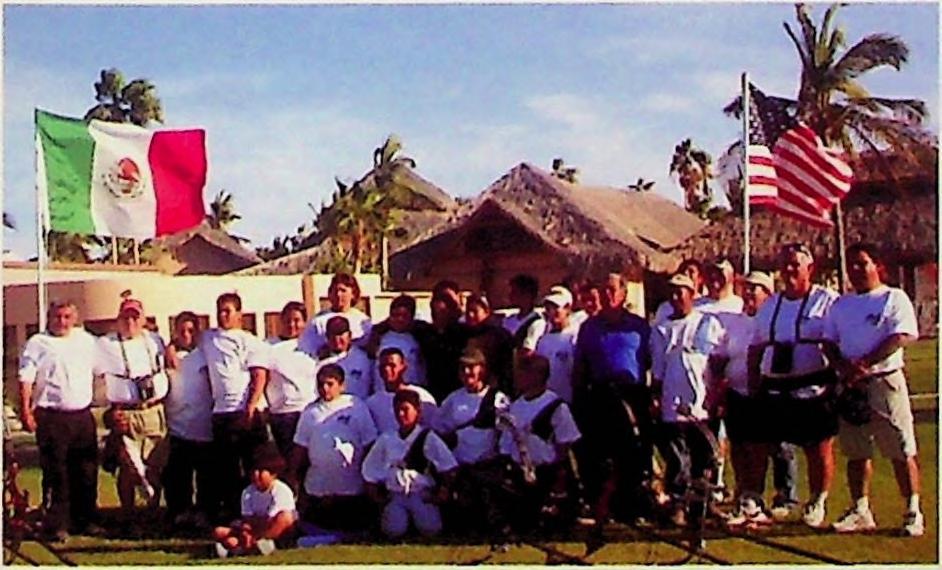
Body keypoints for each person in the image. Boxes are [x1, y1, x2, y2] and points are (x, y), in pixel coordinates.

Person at [824, 243, 924, 537]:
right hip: (851, 385)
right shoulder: (841, 305)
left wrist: (866, 363)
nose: (856, 270)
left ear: (877, 266)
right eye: (852, 265)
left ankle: (913, 510)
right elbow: (828, 341)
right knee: (856, 452)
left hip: (884, 381)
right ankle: (860, 509)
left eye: (862, 263)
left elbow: (901, 335)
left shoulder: (893, 298)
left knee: (900, 448)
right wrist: (844, 368)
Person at [749, 243, 839, 528]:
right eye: (784, 264)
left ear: (809, 269)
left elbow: (838, 342)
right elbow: (756, 347)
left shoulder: (827, 301)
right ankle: (755, 500)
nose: (788, 270)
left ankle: (817, 500)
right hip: (775, 386)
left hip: (813, 387)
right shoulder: (770, 305)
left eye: (795, 265)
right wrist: (754, 384)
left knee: (818, 448)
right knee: (763, 445)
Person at [709, 272, 789, 527]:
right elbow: (722, 355)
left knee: (758, 448)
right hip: (736, 394)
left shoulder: (770, 321)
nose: (749, 293)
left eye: (755, 288)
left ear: (767, 293)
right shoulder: (735, 322)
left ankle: (754, 498)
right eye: (747, 288)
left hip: (762, 393)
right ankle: (743, 495)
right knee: (739, 447)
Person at [18, 300, 101, 541]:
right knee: (58, 473)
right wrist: (26, 410)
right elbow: (26, 378)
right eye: (57, 317)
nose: (62, 322)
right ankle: (58, 524)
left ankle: (85, 520)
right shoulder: (38, 342)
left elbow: (101, 371)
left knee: (86, 471)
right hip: (52, 417)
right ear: (49, 318)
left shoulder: (86, 341)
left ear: (74, 318)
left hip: (82, 416)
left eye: (67, 317)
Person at [572, 272, 652, 525]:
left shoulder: (639, 327)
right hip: (599, 394)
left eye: (612, 290)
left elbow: (651, 362)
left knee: (632, 453)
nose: (608, 295)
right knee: (598, 453)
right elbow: (580, 365)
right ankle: (599, 506)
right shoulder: (589, 327)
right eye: (604, 290)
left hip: (632, 394)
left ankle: (630, 504)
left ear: (623, 293)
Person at [650, 274, 724, 527]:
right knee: (678, 458)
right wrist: (656, 397)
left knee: (705, 457)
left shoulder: (707, 323)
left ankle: (702, 504)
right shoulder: (661, 329)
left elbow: (717, 361)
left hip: (701, 404)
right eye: (672, 293)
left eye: (680, 292)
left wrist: (716, 395)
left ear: (692, 294)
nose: (675, 298)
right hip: (672, 402)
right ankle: (678, 503)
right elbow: (658, 369)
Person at [95, 294, 171, 526]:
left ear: (144, 319)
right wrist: (109, 413)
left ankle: (151, 515)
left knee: (155, 465)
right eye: (125, 317)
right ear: (118, 319)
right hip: (125, 414)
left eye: (135, 317)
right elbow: (93, 378)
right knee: (129, 468)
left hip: (154, 411)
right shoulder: (105, 345)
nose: (130, 322)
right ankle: (128, 516)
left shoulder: (155, 340)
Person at [201, 292, 271, 522]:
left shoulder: (249, 341)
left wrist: (250, 407)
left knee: (254, 466)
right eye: (220, 311)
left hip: (247, 412)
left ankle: (259, 512)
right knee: (226, 469)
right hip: (222, 412)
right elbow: (183, 339)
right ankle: (234, 514)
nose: (223, 315)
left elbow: (259, 376)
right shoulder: (208, 338)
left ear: (239, 314)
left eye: (228, 311)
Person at [497, 353, 582, 533]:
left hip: (545, 472)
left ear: (537, 375)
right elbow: (506, 441)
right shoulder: (515, 406)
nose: (517, 378)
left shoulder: (556, 406)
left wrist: (559, 475)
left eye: (522, 373)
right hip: (519, 472)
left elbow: (565, 442)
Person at [288, 363, 377, 532]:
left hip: (351, 489)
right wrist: (292, 474)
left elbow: (369, 443)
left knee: (352, 529)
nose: (325, 388)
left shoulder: (356, 406)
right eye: (321, 384)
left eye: (330, 384)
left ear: (342, 385)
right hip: (319, 489)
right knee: (316, 530)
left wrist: (370, 479)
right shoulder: (310, 412)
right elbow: (300, 446)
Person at [362, 389, 459, 539]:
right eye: (397, 410)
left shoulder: (428, 438)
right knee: (393, 531)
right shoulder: (386, 439)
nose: (401, 414)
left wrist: (443, 491)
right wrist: (378, 498)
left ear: (417, 412)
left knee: (430, 529)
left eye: (405, 410)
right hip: (396, 494)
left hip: (421, 493)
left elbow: (448, 465)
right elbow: (370, 469)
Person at [434, 348, 510, 534]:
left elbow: (507, 436)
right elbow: (440, 431)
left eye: (471, 367)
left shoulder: (497, 399)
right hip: (461, 469)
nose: (467, 372)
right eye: (463, 368)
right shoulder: (453, 400)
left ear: (482, 369)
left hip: (489, 467)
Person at [162, 311, 215, 529]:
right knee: (177, 476)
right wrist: (169, 348)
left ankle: (204, 512)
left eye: (191, 330)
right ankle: (179, 513)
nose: (186, 334)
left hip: (203, 426)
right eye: (182, 330)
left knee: (205, 477)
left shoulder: (206, 353)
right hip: (177, 426)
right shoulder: (166, 355)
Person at [213, 448, 297, 558]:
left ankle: (262, 543)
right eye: (253, 471)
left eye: (261, 471)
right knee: (220, 531)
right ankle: (243, 546)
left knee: (284, 518)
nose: (256, 475)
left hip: (271, 530)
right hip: (253, 530)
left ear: (273, 474)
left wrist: (255, 528)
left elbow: (271, 519)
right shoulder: (248, 492)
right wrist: (246, 531)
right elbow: (247, 518)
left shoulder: (281, 490)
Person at [266, 302, 318, 459]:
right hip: (282, 415)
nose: (291, 325)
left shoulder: (312, 345)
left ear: (304, 322)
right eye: (287, 320)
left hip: (308, 412)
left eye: (296, 320)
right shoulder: (268, 346)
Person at [366, 347, 438, 433]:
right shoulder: (371, 403)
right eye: (383, 366)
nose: (387, 369)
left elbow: (433, 427)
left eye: (392, 365)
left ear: (403, 366)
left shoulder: (422, 396)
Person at [299, 273, 372, 355]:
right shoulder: (317, 322)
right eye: (335, 290)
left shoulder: (363, 322)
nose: (338, 294)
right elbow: (306, 349)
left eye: (343, 290)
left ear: (353, 294)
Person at [366, 294, 429, 387]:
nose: (400, 319)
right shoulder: (379, 337)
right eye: (395, 315)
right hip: (382, 390)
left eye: (404, 316)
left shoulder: (419, 338)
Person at [420, 291, 469, 402]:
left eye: (443, 312)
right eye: (435, 312)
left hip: (457, 390)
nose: (439, 315)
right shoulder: (424, 331)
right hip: (432, 390)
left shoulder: (462, 333)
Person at [534, 286, 579, 403]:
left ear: (568, 308)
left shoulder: (575, 337)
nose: (552, 312)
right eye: (549, 308)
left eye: (556, 307)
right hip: (547, 403)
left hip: (570, 401)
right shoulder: (543, 341)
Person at [463, 294, 514, 395]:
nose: (470, 315)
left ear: (486, 312)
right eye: (468, 311)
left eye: (475, 311)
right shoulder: (463, 334)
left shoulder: (499, 336)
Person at [316, 316, 377, 400]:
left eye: (341, 334)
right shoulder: (320, 362)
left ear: (349, 335)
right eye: (333, 334)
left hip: (360, 404)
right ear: (327, 336)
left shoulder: (364, 358)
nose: (336, 339)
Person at [502, 274, 547, 354]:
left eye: (515, 292)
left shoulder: (537, 323)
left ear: (527, 295)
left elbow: (528, 351)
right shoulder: (507, 320)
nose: (510, 295)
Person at [654, 259, 705, 323]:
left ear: (700, 278)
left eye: (691, 271)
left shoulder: (707, 305)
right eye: (682, 270)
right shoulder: (664, 308)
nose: (686, 273)